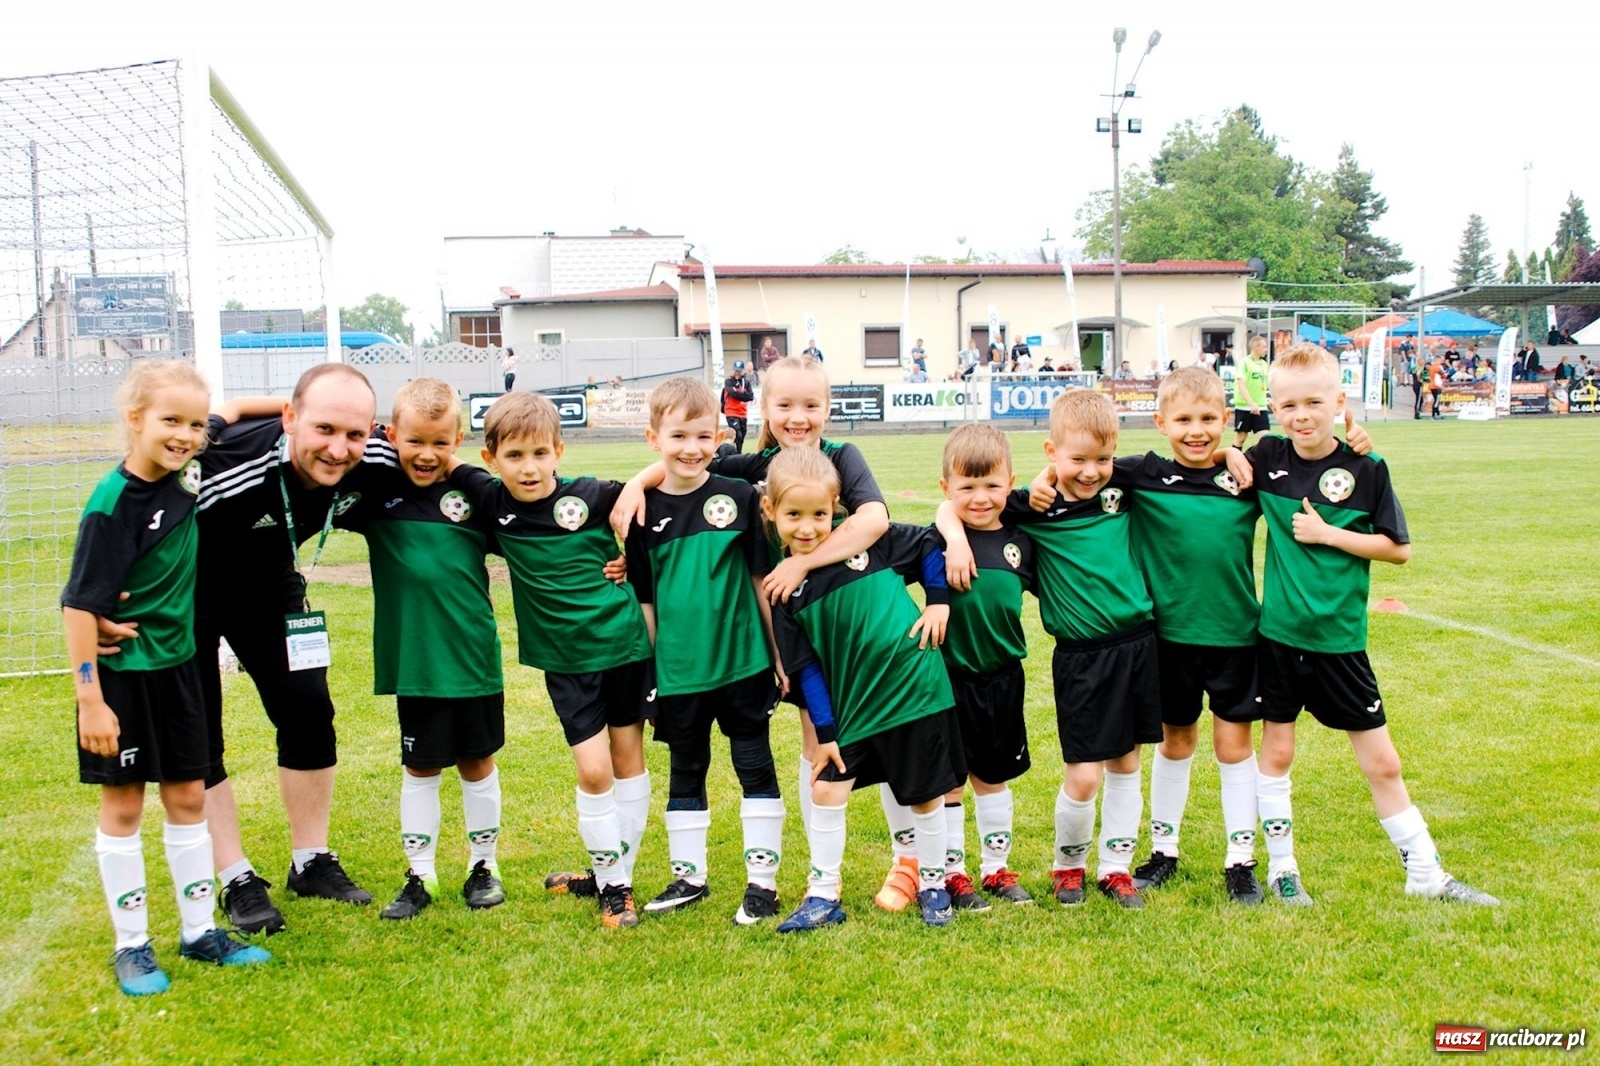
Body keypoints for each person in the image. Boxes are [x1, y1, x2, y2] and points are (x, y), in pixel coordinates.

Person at [609, 355, 900, 907]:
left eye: (810, 405)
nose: (798, 417)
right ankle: (822, 877)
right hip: (795, 629)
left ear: (827, 409)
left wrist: (800, 565)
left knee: (886, 737)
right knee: (818, 743)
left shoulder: (843, 456)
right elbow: (687, 467)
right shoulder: (752, 468)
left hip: (852, 623)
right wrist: (634, 485)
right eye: (784, 405)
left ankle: (910, 862)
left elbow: (874, 520)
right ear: (763, 409)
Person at [128, 363, 393, 935]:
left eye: (354, 433)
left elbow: (438, 472)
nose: (338, 448)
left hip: (268, 582)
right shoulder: (224, 466)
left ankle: (311, 861)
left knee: (307, 706)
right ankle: (236, 876)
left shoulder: (374, 458)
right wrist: (110, 599)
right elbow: (132, 509)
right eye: (323, 429)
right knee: (198, 731)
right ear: (291, 419)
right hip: (183, 593)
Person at [1247, 344, 1496, 907]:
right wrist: (1236, 453)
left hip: (1340, 644)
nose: (1301, 415)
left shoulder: (1367, 468)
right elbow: (1218, 457)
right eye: (1288, 405)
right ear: (1274, 408)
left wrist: (1330, 534)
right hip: (1280, 640)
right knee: (1278, 754)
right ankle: (1284, 871)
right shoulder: (1266, 457)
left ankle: (1426, 874)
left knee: (1383, 761)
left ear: (1340, 402)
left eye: (1314, 402)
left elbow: (1397, 550)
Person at [64, 359, 271, 996]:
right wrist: (90, 701)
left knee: (187, 797)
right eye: (169, 422)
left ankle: (200, 931)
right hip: (123, 678)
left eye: (191, 425)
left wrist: (288, 406)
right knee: (125, 804)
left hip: (182, 669)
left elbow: (229, 411)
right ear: (135, 421)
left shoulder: (190, 465)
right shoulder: (113, 504)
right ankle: (132, 947)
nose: (184, 435)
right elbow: (78, 608)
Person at [939, 389, 1161, 909]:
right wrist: (951, 534)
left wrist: (1231, 451)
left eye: (1101, 459)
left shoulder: (1122, 483)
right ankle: (1068, 866)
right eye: (1077, 459)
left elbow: (1188, 460)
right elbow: (962, 504)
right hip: (1081, 656)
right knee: (1084, 774)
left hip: (1137, 645)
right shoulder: (1029, 508)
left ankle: (1115, 868)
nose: (1090, 471)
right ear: (1050, 452)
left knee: (1127, 764)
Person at [471, 392, 653, 929]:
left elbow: (662, 480)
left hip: (623, 648)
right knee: (594, 772)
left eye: (540, 453)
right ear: (491, 459)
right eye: (514, 456)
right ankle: (612, 880)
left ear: (559, 450)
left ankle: (614, 883)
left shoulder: (592, 495)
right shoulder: (489, 502)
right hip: (566, 662)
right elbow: (431, 468)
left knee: (626, 764)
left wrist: (638, 487)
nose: (529, 468)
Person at [763, 447, 962, 931]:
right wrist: (826, 733)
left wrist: (937, 603)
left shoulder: (871, 547)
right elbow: (806, 669)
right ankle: (822, 895)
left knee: (925, 797)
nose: (808, 528)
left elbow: (932, 545)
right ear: (770, 512)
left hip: (914, 691)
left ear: (838, 510)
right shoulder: (784, 589)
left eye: (820, 515)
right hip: (854, 705)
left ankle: (933, 884)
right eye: (793, 515)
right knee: (828, 792)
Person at [334, 378, 508, 923]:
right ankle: (420, 874)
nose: (427, 455)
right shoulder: (374, 494)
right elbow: (319, 481)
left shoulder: (477, 496)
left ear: (458, 438)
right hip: (415, 659)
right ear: (392, 436)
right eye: (414, 442)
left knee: (477, 763)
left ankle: (484, 867)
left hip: (473, 656)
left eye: (441, 442)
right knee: (420, 765)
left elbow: (535, 530)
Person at [624, 378, 787, 926]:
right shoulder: (642, 512)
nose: (691, 448)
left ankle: (763, 883)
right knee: (685, 770)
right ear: (654, 439)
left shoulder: (740, 497)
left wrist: (777, 655)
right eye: (678, 436)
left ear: (718, 436)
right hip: (679, 670)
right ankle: (688, 876)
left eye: (702, 435)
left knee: (754, 766)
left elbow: (760, 580)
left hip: (743, 662)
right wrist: (652, 668)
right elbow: (646, 601)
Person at [928, 424, 1036, 908]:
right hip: (949, 679)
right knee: (951, 779)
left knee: (993, 777)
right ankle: (954, 874)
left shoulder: (1021, 541)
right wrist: (952, 534)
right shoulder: (936, 542)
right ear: (946, 488)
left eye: (992, 485)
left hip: (1003, 677)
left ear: (1010, 482)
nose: (979, 497)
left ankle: (996, 869)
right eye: (966, 487)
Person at [1232, 336, 1270, 447]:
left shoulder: (1264, 364)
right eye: (1264, 347)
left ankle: (1260, 463)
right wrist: (1251, 404)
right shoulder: (1244, 362)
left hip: (1261, 407)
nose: (1266, 349)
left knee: (1265, 438)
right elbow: (1241, 385)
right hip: (1244, 407)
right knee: (1241, 438)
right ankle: (1232, 462)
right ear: (1255, 347)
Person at [722, 360, 754, 453]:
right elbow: (732, 393)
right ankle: (732, 453)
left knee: (742, 436)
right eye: (736, 370)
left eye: (739, 371)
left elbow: (750, 396)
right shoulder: (729, 381)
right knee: (737, 434)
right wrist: (743, 394)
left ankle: (738, 454)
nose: (737, 373)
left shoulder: (746, 382)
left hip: (742, 413)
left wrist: (739, 394)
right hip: (731, 412)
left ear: (743, 371)